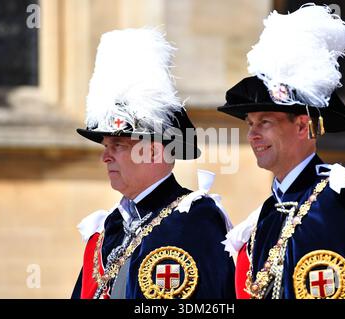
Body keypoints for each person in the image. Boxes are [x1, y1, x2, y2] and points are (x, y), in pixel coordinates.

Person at [219, 4, 345, 299]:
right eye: (250, 123)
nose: (253, 134)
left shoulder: (341, 197)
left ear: (303, 126)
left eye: (266, 122)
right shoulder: (266, 216)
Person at [71, 28, 235, 299]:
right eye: (106, 146)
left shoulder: (193, 220)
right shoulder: (109, 227)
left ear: (155, 152)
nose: (105, 156)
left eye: (119, 145)